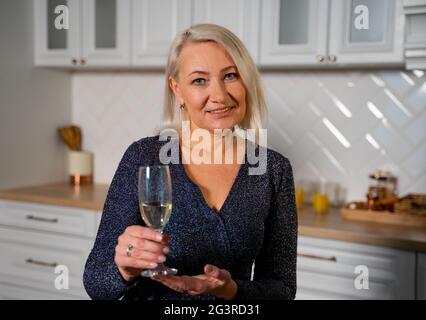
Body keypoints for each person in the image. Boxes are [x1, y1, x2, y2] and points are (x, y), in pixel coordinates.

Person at [83, 23, 297, 300]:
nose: (219, 95)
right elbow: (96, 284)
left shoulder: (273, 169)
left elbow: (282, 290)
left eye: (230, 76)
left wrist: (231, 290)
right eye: (199, 80)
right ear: (177, 90)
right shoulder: (143, 157)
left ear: (246, 81)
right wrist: (124, 269)